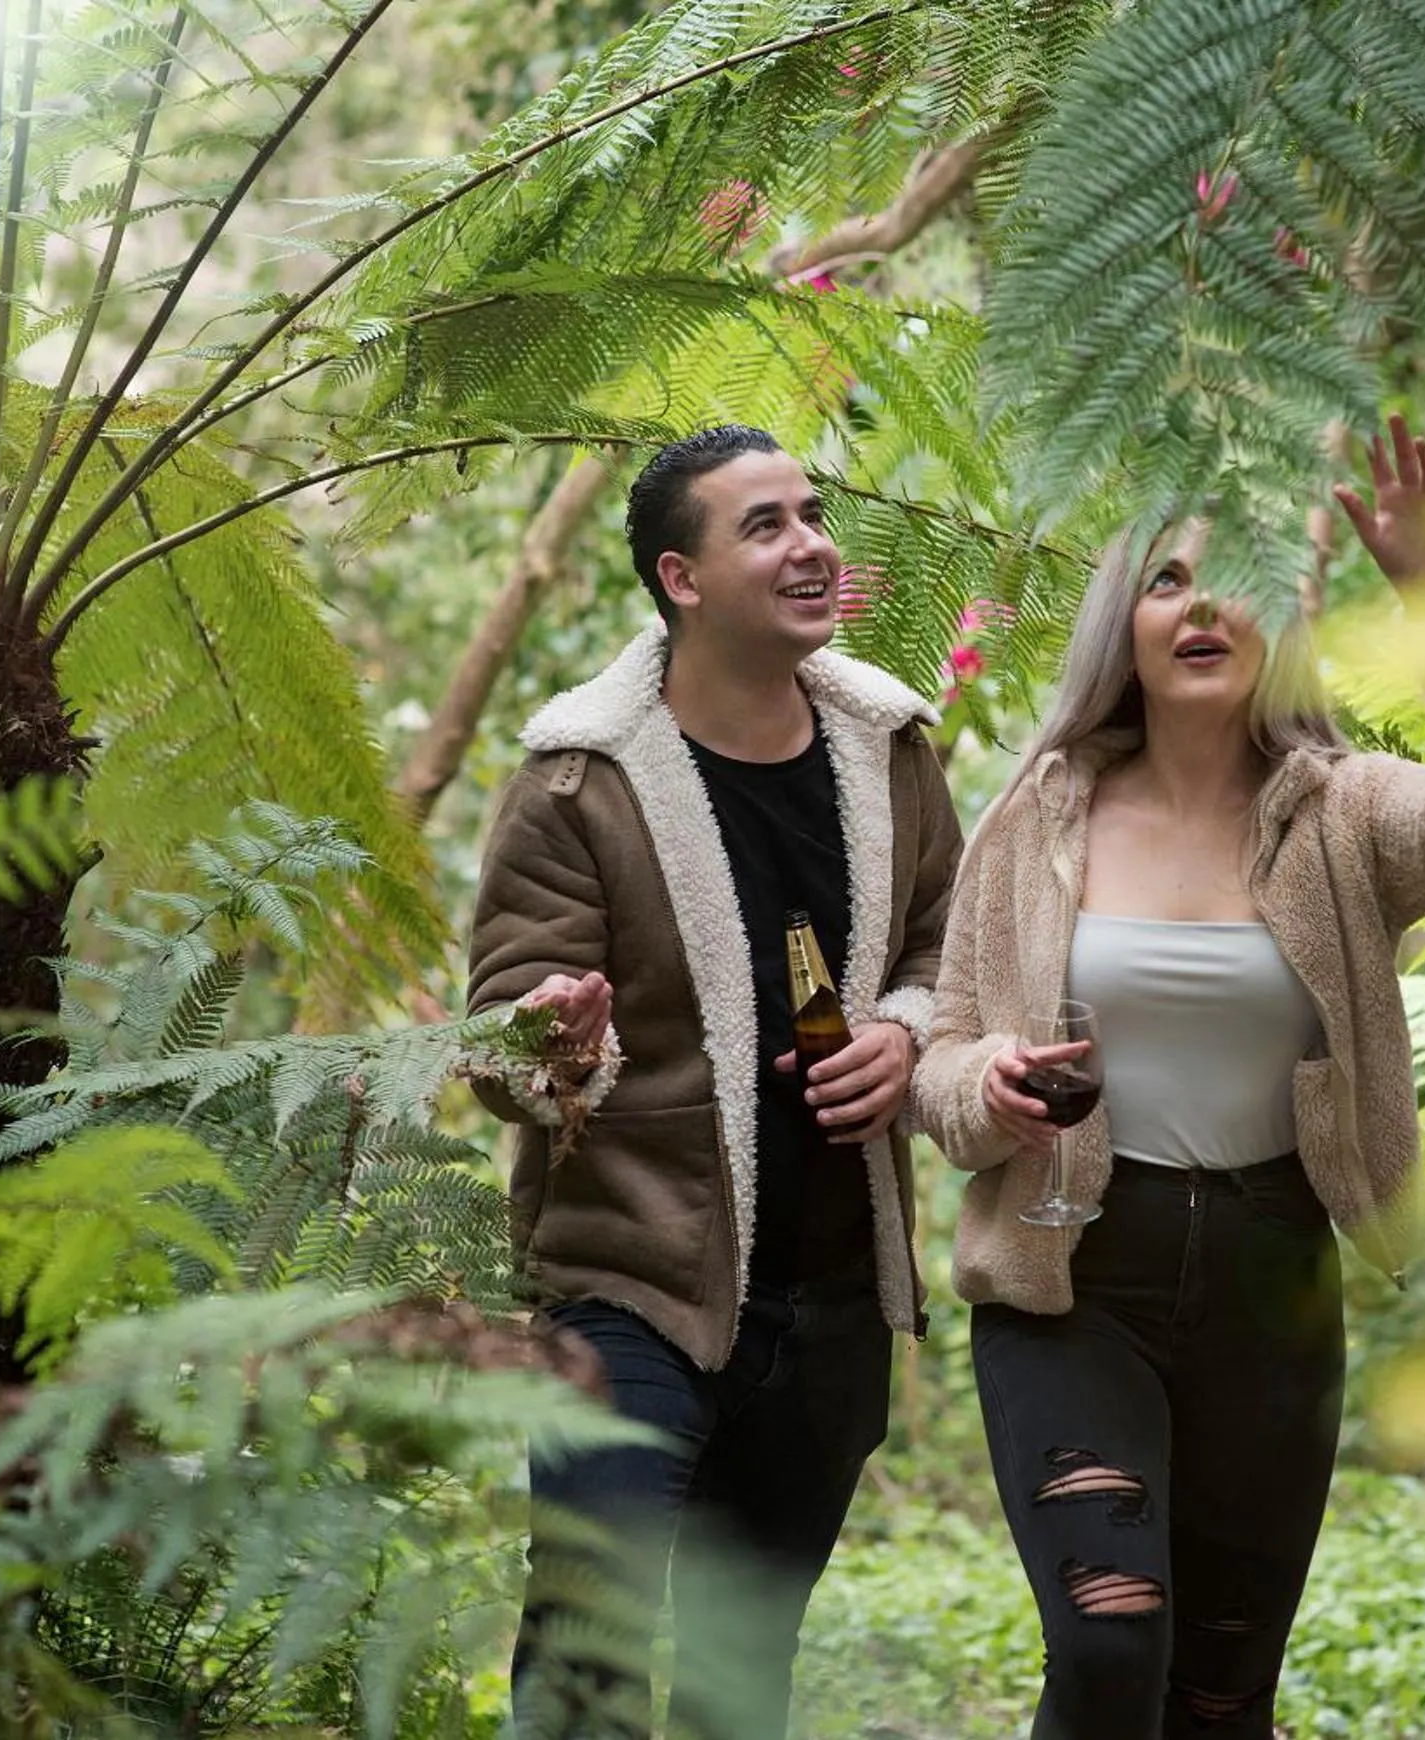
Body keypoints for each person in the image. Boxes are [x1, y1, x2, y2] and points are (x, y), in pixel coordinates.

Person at [910, 413, 1425, 1740]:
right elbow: (941, 1054)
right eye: (1164, 580)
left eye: (1230, 581)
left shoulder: (1344, 817)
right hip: (1070, 1281)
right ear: (1126, 627)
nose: (1198, 605)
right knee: (1107, 1648)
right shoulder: (1039, 811)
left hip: (1273, 1279)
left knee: (1219, 1695)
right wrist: (989, 1084)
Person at [466, 424, 963, 1740]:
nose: (810, 545)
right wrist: (554, 1041)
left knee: (741, 1682)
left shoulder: (892, 748)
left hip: (833, 1297)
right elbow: (494, 1033)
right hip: (628, 1286)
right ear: (681, 579)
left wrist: (906, 1031)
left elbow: (946, 940)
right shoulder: (578, 781)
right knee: (587, 1657)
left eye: (812, 514)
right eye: (765, 525)